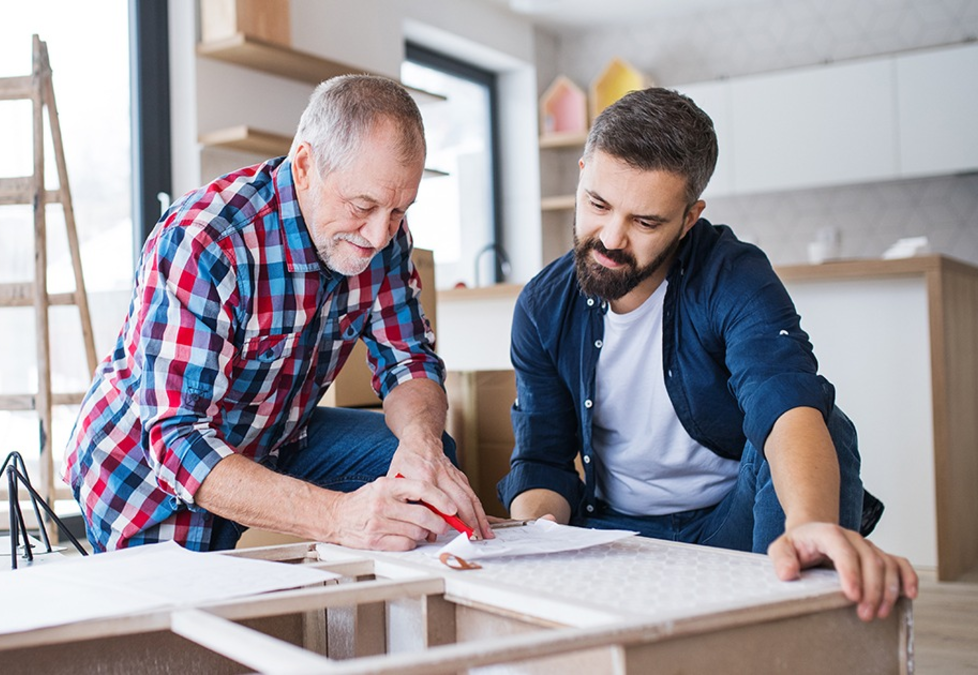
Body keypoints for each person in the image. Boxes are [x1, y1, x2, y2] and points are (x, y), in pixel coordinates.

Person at [498, 88, 917, 622]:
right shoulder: (541, 305)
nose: (610, 237)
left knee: (829, 423)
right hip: (613, 533)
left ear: (689, 217)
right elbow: (542, 460)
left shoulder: (733, 274)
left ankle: (798, 607)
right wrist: (534, 543)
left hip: (728, 524)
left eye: (645, 222)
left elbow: (785, 403)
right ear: (582, 174)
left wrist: (810, 524)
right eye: (597, 203)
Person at [65, 74, 493, 554]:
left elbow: (409, 361)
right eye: (363, 205)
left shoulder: (384, 234)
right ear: (306, 165)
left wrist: (421, 445)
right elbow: (177, 441)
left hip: (273, 436)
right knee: (194, 620)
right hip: (145, 476)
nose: (378, 235)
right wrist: (336, 517)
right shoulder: (206, 241)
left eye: (397, 211)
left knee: (427, 471)